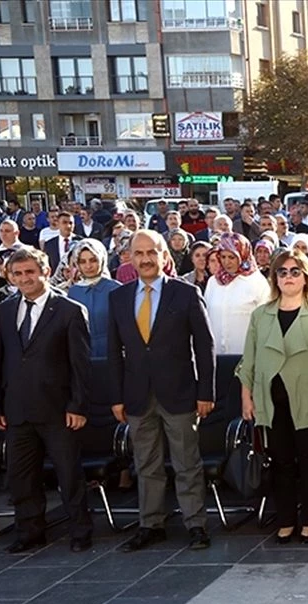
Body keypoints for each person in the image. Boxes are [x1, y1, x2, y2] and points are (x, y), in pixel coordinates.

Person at [107, 230, 216, 552]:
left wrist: (205, 392)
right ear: (129, 257)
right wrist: (116, 396)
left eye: (151, 252)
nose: (145, 259)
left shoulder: (186, 293)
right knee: (146, 465)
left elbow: (205, 345)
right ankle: (150, 524)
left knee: (187, 464)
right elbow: (114, 351)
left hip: (180, 393)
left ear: (164, 255)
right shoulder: (119, 297)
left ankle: (196, 525)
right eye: (138, 253)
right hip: (137, 396)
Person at [0, 246, 93, 553]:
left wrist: (77, 405)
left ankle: (80, 531)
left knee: (69, 475)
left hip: (59, 410)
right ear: (10, 276)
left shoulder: (69, 310)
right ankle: (30, 532)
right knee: (21, 478)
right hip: (17, 410)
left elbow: (81, 365)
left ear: (45, 272)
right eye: (18, 274)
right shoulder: (6, 310)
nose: (25, 279)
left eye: (30, 272)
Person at [240, 249, 308, 543]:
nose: (288, 277)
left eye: (294, 271)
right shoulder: (261, 315)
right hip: (271, 402)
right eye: (282, 272)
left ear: (305, 277)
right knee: (280, 462)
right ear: (275, 277)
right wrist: (246, 397)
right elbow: (248, 360)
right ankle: (286, 518)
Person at [204, 233, 270, 355]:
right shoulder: (213, 282)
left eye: (232, 257)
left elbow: (266, 322)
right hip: (217, 355)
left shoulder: (257, 282)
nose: (227, 262)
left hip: (246, 355)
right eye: (223, 257)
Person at [63, 239, 121, 358]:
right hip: (83, 354)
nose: (88, 266)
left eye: (93, 260)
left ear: (102, 259)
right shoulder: (74, 291)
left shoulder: (116, 289)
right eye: (83, 262)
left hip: (112, 353)